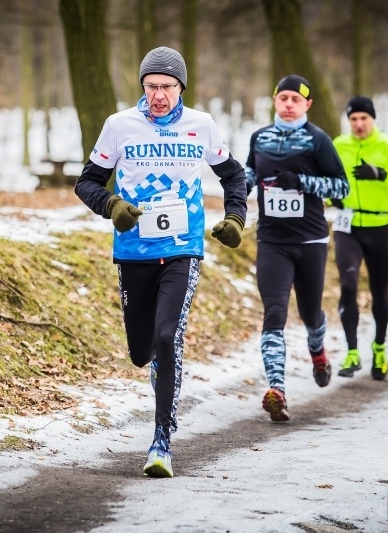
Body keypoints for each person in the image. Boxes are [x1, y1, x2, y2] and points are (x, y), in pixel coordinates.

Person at [74, 46, 247, 478]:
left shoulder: (201, 126)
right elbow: (86, 182)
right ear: (142, 88)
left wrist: (235, 217)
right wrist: (111, 203)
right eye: (151, 87)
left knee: (168, 337)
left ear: (181, 88)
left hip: (183, 248)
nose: (159, 95)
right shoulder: (120, 126)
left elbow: (234, 175)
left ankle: (161, 441)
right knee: (141, 350)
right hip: (134, 251)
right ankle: (156, 371)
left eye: (167, 87)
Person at [244, 74, 349, 422]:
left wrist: (301, 182)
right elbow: (248, 173)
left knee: (310, 313)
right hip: (272, 241)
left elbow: (341, 187)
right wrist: (237, 188)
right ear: (274, 100)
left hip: (311, 241)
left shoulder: (318, 140)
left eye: (295, 99)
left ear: (307, 104)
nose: (288, 104)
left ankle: (318, 349)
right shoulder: (259, 138)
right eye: (283, 98)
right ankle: (277, 390)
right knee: (274, 312)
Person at [331, 95, 388, 380]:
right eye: (353, 119)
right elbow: (328, 177)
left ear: (373, 119)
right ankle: (352, 352)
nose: (358, 124)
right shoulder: (338, 145)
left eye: (363, 118)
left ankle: (379, 347)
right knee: (348, 285)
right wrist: (333, 197)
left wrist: (381, 174)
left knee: (380, 291)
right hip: (348, 226)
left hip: (380, 226)